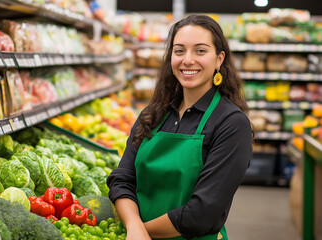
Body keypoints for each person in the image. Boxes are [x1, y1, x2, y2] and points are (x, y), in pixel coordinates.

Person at [107, 14, 253, 240]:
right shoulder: (152, 114)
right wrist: (134, 225)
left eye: (200, 51)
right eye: (179, 50)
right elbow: (122, 179)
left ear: (219, 58)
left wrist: (139, 231)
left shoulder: (231, 124)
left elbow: (202, 214)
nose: (187, 60)